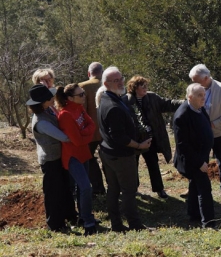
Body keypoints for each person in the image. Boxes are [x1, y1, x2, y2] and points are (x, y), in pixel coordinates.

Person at [98, 66, 151, 232]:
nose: (121, 82)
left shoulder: (106, 99)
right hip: (120, 156)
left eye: (121, 78)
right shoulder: (112, 105)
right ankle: (135, 225)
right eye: (116, 80)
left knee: (113, 190)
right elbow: (119, 137)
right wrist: (139, 146)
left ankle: (117, 225)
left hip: (108, 153)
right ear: (106, 84)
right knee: (128, 191)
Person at [123, 76, 183, 199]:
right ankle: (133, 189)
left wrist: (186, 101)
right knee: (132, 165)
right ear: (134, 87)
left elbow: (168, 104)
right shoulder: (126, 100)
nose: (145, 88)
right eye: (142, 85)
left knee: (153, 163)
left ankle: (159, 189)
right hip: (135, 140)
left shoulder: (152, 97)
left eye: (146, 85)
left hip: (150, 139)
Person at [28, 84, 77, 232]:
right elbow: (63, 137)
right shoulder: (41, 121)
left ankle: (70, 216)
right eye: (49, 98)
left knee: (64, 188)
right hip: (50, 160)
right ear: (43, 102)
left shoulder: (48, 111)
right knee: (53, 193)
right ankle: (55, 225)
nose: (52, 98)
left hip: (57, 157)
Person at [172, 83, 221, 229]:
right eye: (200, 95)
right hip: (192, 160)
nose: (203, 98)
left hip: (200, 156)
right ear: (190, 97)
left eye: (204, 95)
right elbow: (183, 146)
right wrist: (200, 163)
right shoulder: (182, 116)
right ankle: (209, 223)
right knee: (204, 188)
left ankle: (193, 214)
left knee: (195, 184)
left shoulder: (199, 108)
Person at [188, 64, 221, 202]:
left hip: (218, 133)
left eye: (196, 80)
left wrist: (214, 123)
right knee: (198, 160)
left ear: (206, 78)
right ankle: (194, 188)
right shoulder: (194, 89)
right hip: (199, 133)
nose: (193, 83)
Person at [55, 84, 97, 236]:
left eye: (83, 93)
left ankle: (84, 217)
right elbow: (77, 140)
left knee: (82, 188)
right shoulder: (65, 114)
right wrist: (86, 134)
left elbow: (92, 124)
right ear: (70, 98)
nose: (84, 96)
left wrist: (84, 132)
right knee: (86, 187)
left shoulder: (79, 107)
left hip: (83, 153)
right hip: (73, 156)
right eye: (81, 95)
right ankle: (88, 222)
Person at [79, 62, 106, 195]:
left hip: (91, 133)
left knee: (89, 159)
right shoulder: (109, 85)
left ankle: (98, 189)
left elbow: (81, 112)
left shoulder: (83, 87)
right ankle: (116, 187)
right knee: (109, 159)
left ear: (89, 73)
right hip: (107, 132)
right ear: (102, 72)